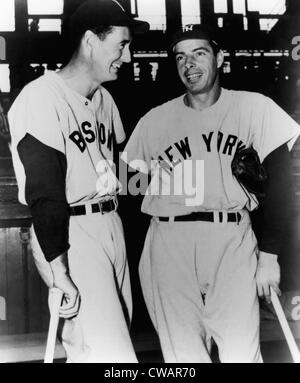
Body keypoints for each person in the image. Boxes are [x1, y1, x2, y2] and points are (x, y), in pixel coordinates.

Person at [121, 24, 300, 362]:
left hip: (231, 238)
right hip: (168, 241)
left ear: (219, 57)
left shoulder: (254, 108)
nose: (189, 64)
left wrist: (270, 255)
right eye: (180, 57)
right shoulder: (154, 121)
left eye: (199, 53)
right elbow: (128, 189)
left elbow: (283, 188)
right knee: (182, 357)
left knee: (241, 353)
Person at [8, 0, 149, 363]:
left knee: (94, 352)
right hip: (72, 229)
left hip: (110, 223)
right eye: (122, 44)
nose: (129, 57)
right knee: (113, 357)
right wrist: (59, 269)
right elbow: (45, 191)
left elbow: (124, 174)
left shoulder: (105, 100)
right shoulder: (41, 97)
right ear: (91, 40)